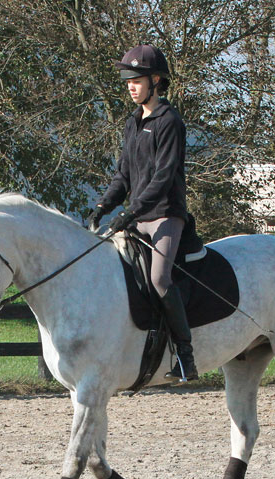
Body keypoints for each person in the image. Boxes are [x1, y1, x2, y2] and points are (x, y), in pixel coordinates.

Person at [88, 44, 197, 382]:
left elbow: (164, 178)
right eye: (127, 81)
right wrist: (104, 205)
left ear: (154, 80)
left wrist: (131, 210)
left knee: (159, 279)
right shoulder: (133, 123)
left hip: (166, 214)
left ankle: (185, 356)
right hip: (138, 216)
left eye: (136, 80)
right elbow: (124, 175)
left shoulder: (169, 121)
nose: (131, 86)